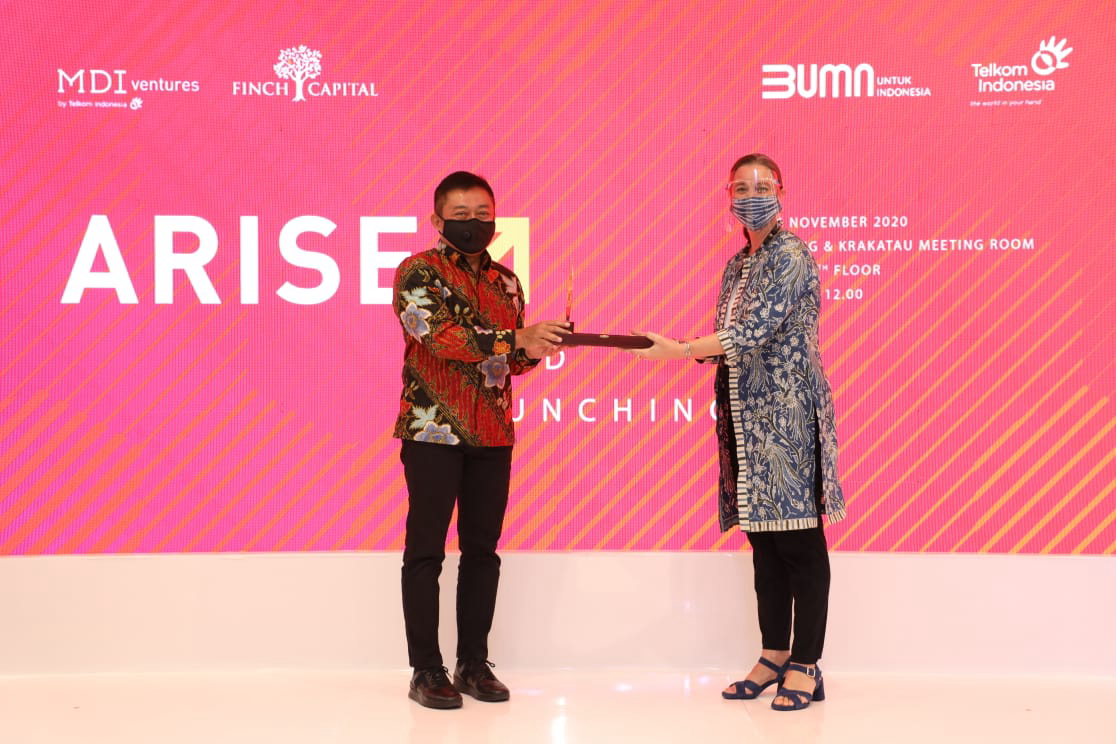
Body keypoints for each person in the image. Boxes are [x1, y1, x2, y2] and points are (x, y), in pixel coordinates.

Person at [630, 153, 846, 711]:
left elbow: (751, 332)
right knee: (764, 542)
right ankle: (774, 654)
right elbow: (728, 340)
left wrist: (680, 350)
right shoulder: (736, 265)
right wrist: (685, 350)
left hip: (787, 415)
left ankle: (807, 663)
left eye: (762, 185)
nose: (752, 196)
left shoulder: (791, 255)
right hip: (743, 419)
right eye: (741, 188)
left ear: (781, 190)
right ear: (727, 196)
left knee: (799, 541)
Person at [393, 171, 570, 709]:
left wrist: (536, 348)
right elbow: (439, 338)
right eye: (461, 215)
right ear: (437, 219)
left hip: (493, 431)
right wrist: (516, 337)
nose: (474, 224)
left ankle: (473, 663)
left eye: (483, 215)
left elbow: (510, 362)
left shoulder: (507, 282)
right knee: (426, 552)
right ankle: (426, 669)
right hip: (431, 428)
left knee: (482, 552)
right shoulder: (418, 271)